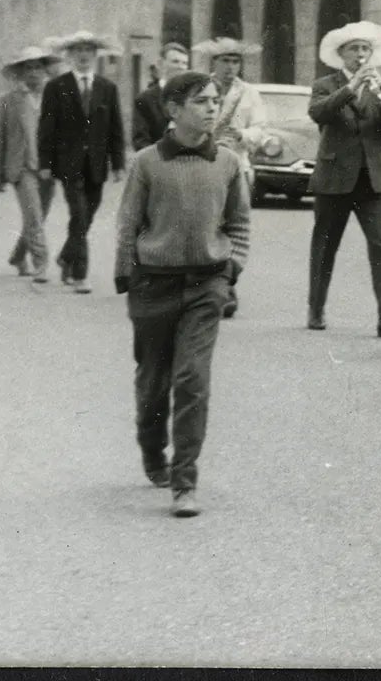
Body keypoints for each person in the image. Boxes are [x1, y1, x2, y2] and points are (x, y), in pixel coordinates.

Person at [113, 69, 251, 519]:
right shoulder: (147, 162)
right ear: (173, 111)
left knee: (192, 379)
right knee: (153, 384)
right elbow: (129, 224)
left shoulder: (228, 163)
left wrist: (231, 270)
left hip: (206, 285)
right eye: (201, 102)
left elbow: (239, 224)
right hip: (153, 284)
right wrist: (126, 275)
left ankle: (184, 479)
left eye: (215, 100)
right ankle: (153, 450)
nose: (213, 108)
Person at [306, 20, 381, 337]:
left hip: (373, 178)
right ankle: (316, 308)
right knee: (325, 245)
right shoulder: (326, 83)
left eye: (366, 49)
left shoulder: (380, 85)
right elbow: (319, 112)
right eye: (355, 49)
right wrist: (351, 88)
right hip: (334, 177)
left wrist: (380, 95)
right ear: (341, 54)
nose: (361, 55)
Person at [37, 31, 128, 294]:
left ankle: (66, 256)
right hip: (68, 164)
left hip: (97, 165)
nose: (84, 55)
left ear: (96, 55)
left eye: (89, 50)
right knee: (78, 214)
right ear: (70, 56)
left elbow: (116, 129)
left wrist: (118, 164)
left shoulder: (107, 88)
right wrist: (45, 162)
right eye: (78, 51)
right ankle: (80, 275)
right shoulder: (56, 87)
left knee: (86, 215)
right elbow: (46, 128)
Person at [195, 37, 266, 319]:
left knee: (234, 226)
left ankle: (227, 284)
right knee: (206, 223)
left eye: (235, 61)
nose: (230, 67)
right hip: (203, 164)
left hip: (237, 165)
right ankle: (207, 283)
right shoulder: (200, 87)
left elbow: (260, 127)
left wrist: (244, 135)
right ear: (214, 62)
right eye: (225, 60)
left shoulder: (249, 93)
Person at [0, 45, 59, 283]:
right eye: (28, 68)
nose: (34, 72)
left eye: (38, 67)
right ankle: (41, 263)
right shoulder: (9, 101)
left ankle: (17, 256)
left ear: (45, 70)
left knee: (39, 216)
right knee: (33, 215)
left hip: (48, 166)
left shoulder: (55, 97)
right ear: (20, 72)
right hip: (22, 166)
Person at [133, 43, 192, 152]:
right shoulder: (145, 99)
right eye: (175, 61)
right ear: (161, 64)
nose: (181, 67)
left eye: (185, 63)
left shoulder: (192, 96)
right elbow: (140, 140)